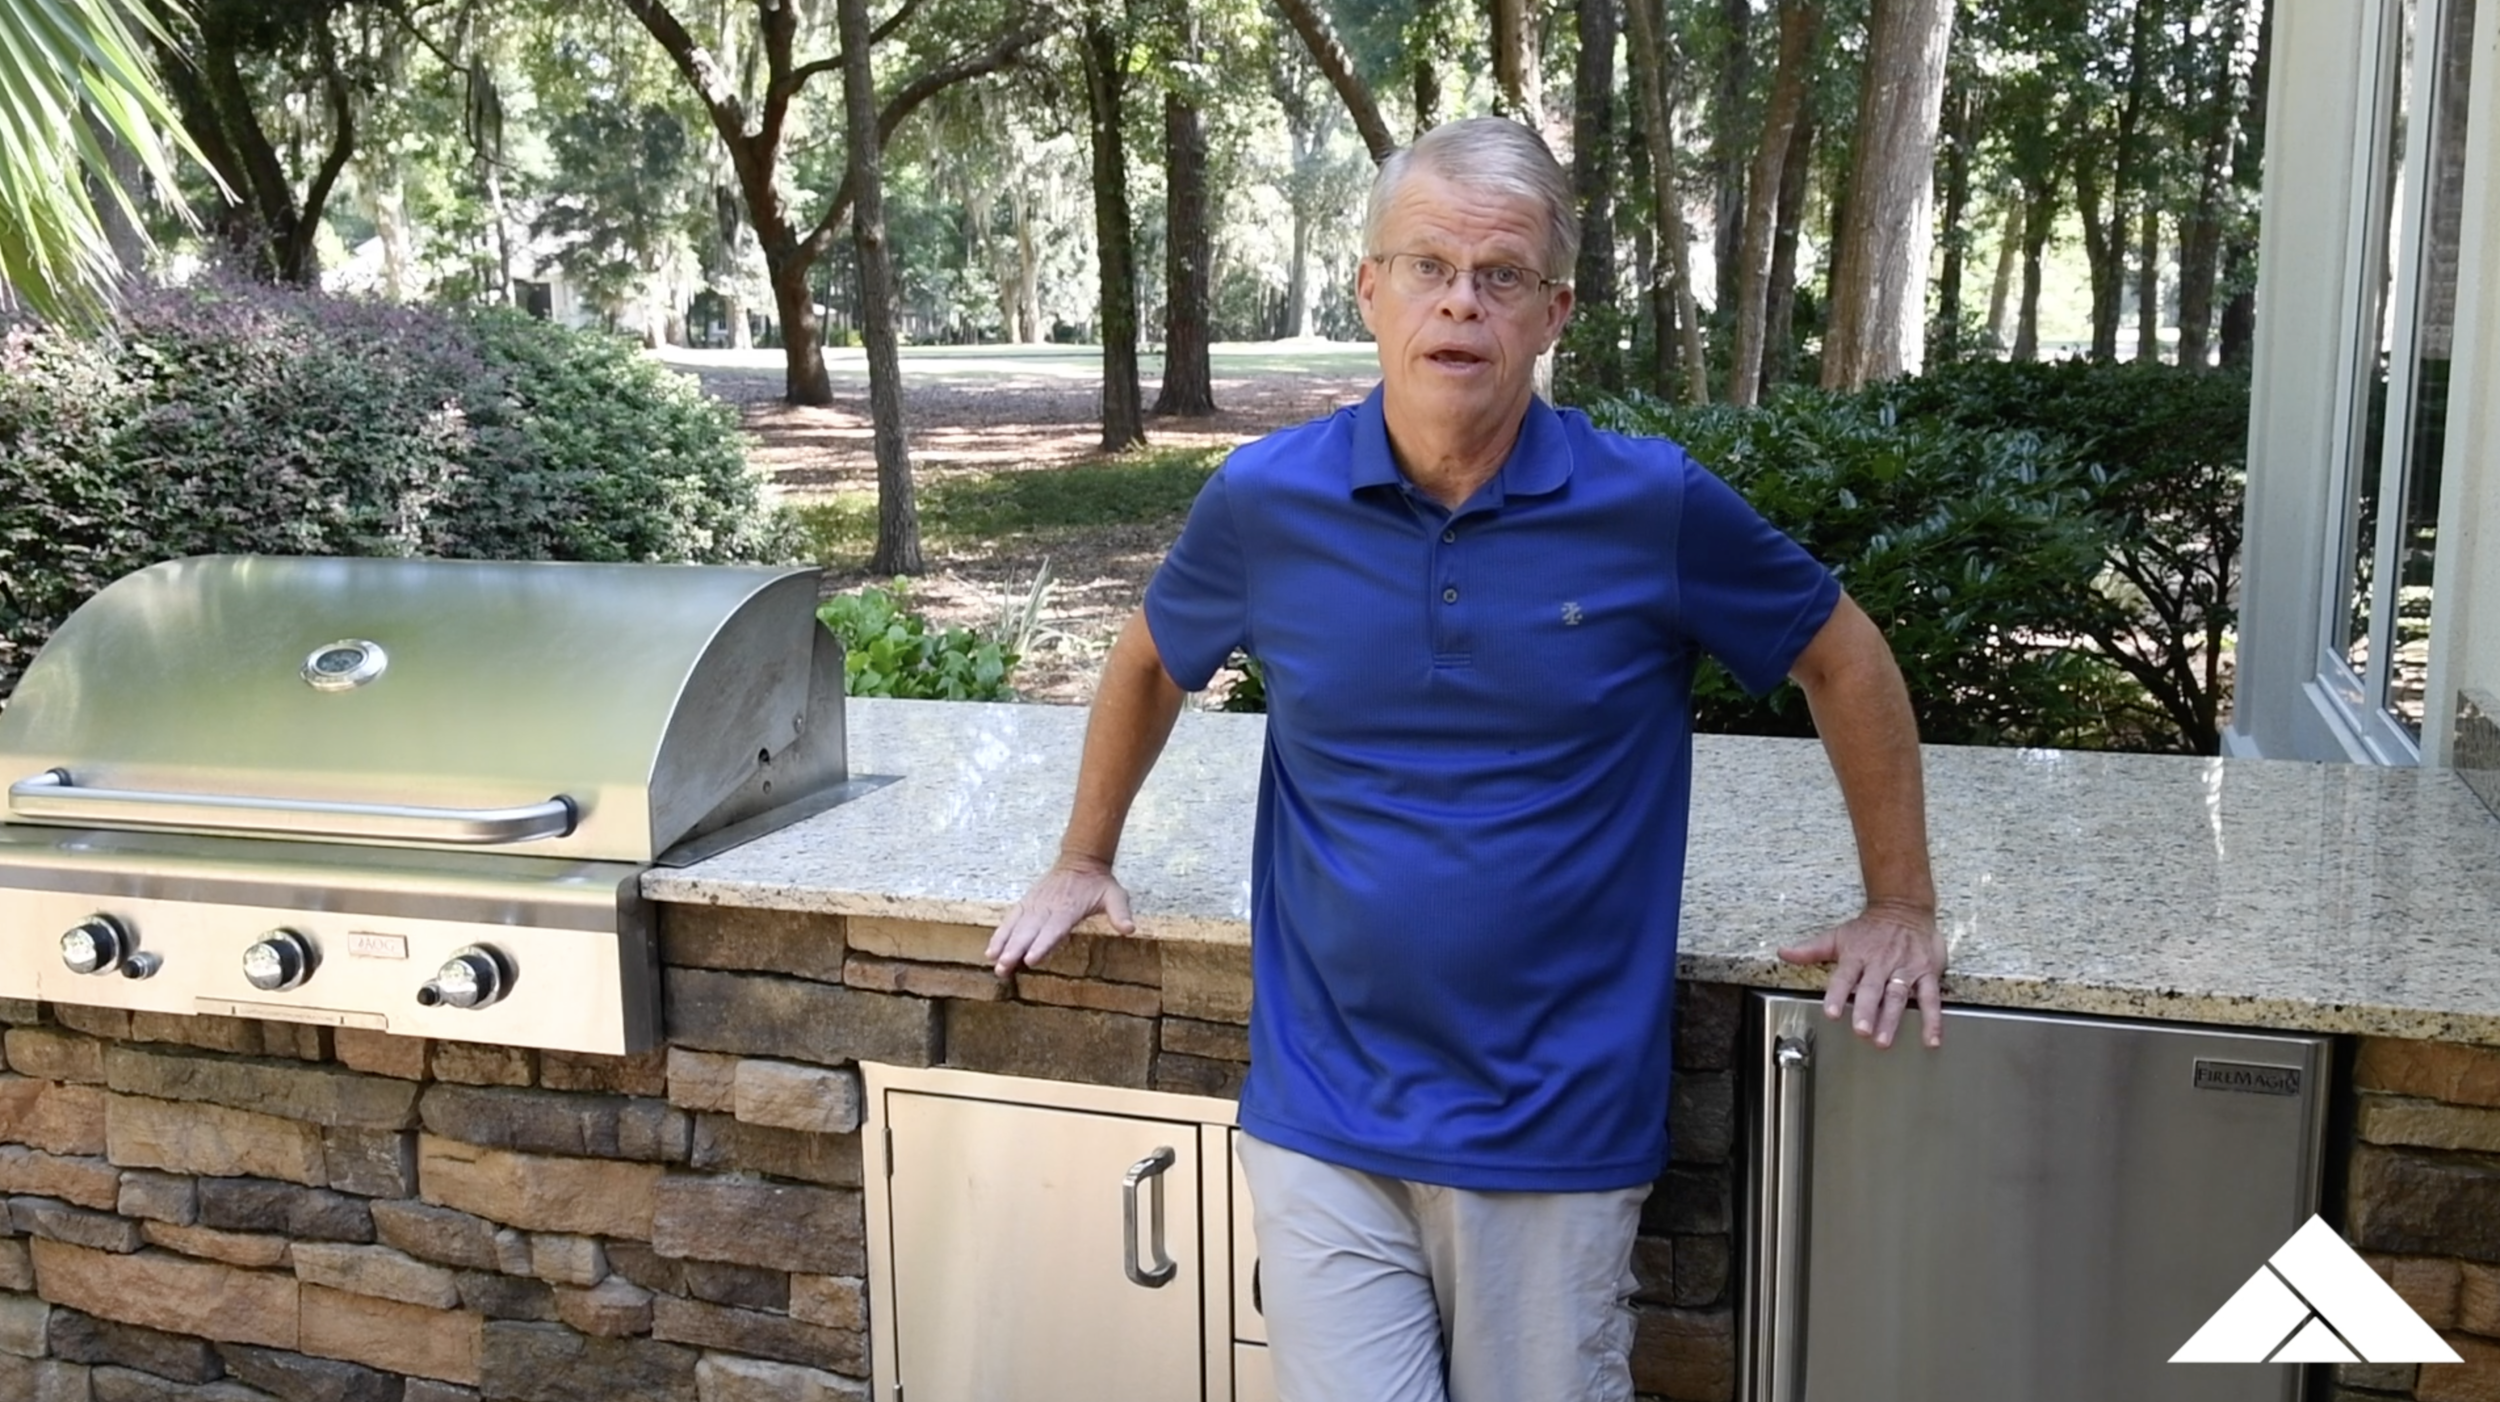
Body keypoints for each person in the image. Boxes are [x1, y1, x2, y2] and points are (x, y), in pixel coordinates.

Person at [987, 115, 1946, 1402]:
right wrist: (1081, 854)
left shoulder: (1646, 505)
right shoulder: (1268, 501)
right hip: (1326, 1115)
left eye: (1499, 277)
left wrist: (1901, 902)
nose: (1460, 303)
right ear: (1368, 289)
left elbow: (1845, 655)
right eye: (1428, 266)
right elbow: (1155, 656)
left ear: (1552, 313)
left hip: (1553, 1129)